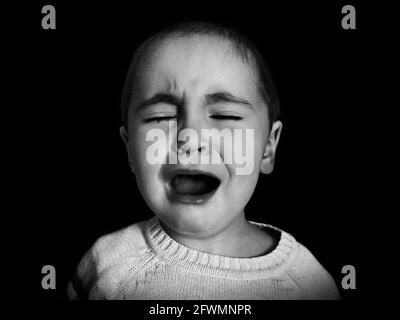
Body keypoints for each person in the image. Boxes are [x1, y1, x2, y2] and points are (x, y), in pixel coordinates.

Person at [67, 22, 340, 300]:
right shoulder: (107, 267)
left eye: (225, 116)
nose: (191, 138)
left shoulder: (308, 284)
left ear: (268, 148)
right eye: (160, 117)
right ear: (130, 152)